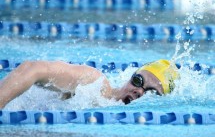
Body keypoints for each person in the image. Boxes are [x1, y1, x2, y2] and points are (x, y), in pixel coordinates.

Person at [0, 59, 179, 109]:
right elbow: (33, 68)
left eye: (151, 93)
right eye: (138, 81)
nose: (139, 92)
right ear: (130, 76)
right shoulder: (95, 84)